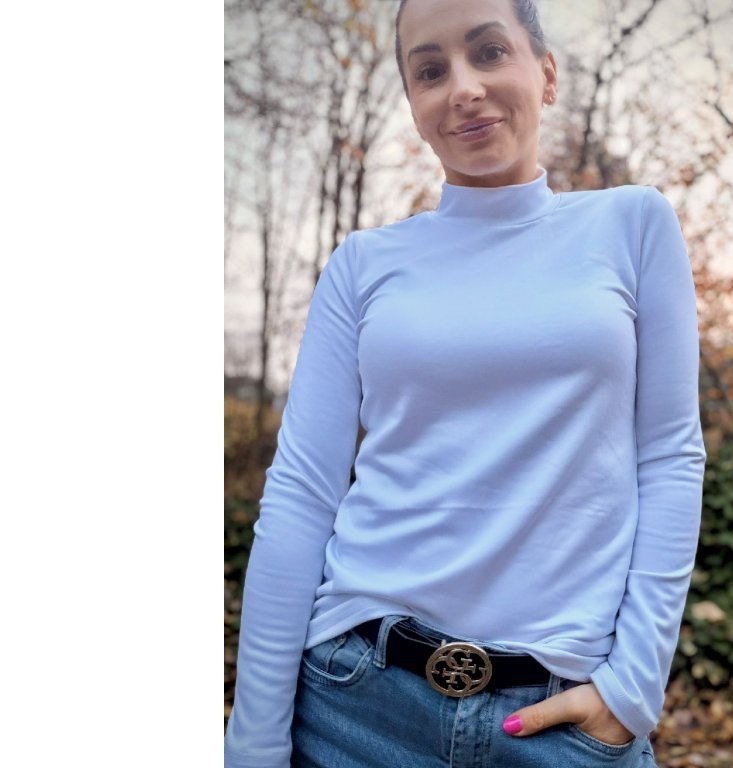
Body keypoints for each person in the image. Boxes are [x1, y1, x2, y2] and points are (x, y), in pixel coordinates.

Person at [224, 0, 705, 765]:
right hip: (355, 702)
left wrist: (633, 690)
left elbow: (670, 456)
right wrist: (252, 743)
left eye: (489, 52)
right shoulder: (361, 265)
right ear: (414, 105)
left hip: (563, 723)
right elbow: (302, 494)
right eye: (430, 70)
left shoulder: (633, 226)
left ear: (546, 74)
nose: (464, 87)